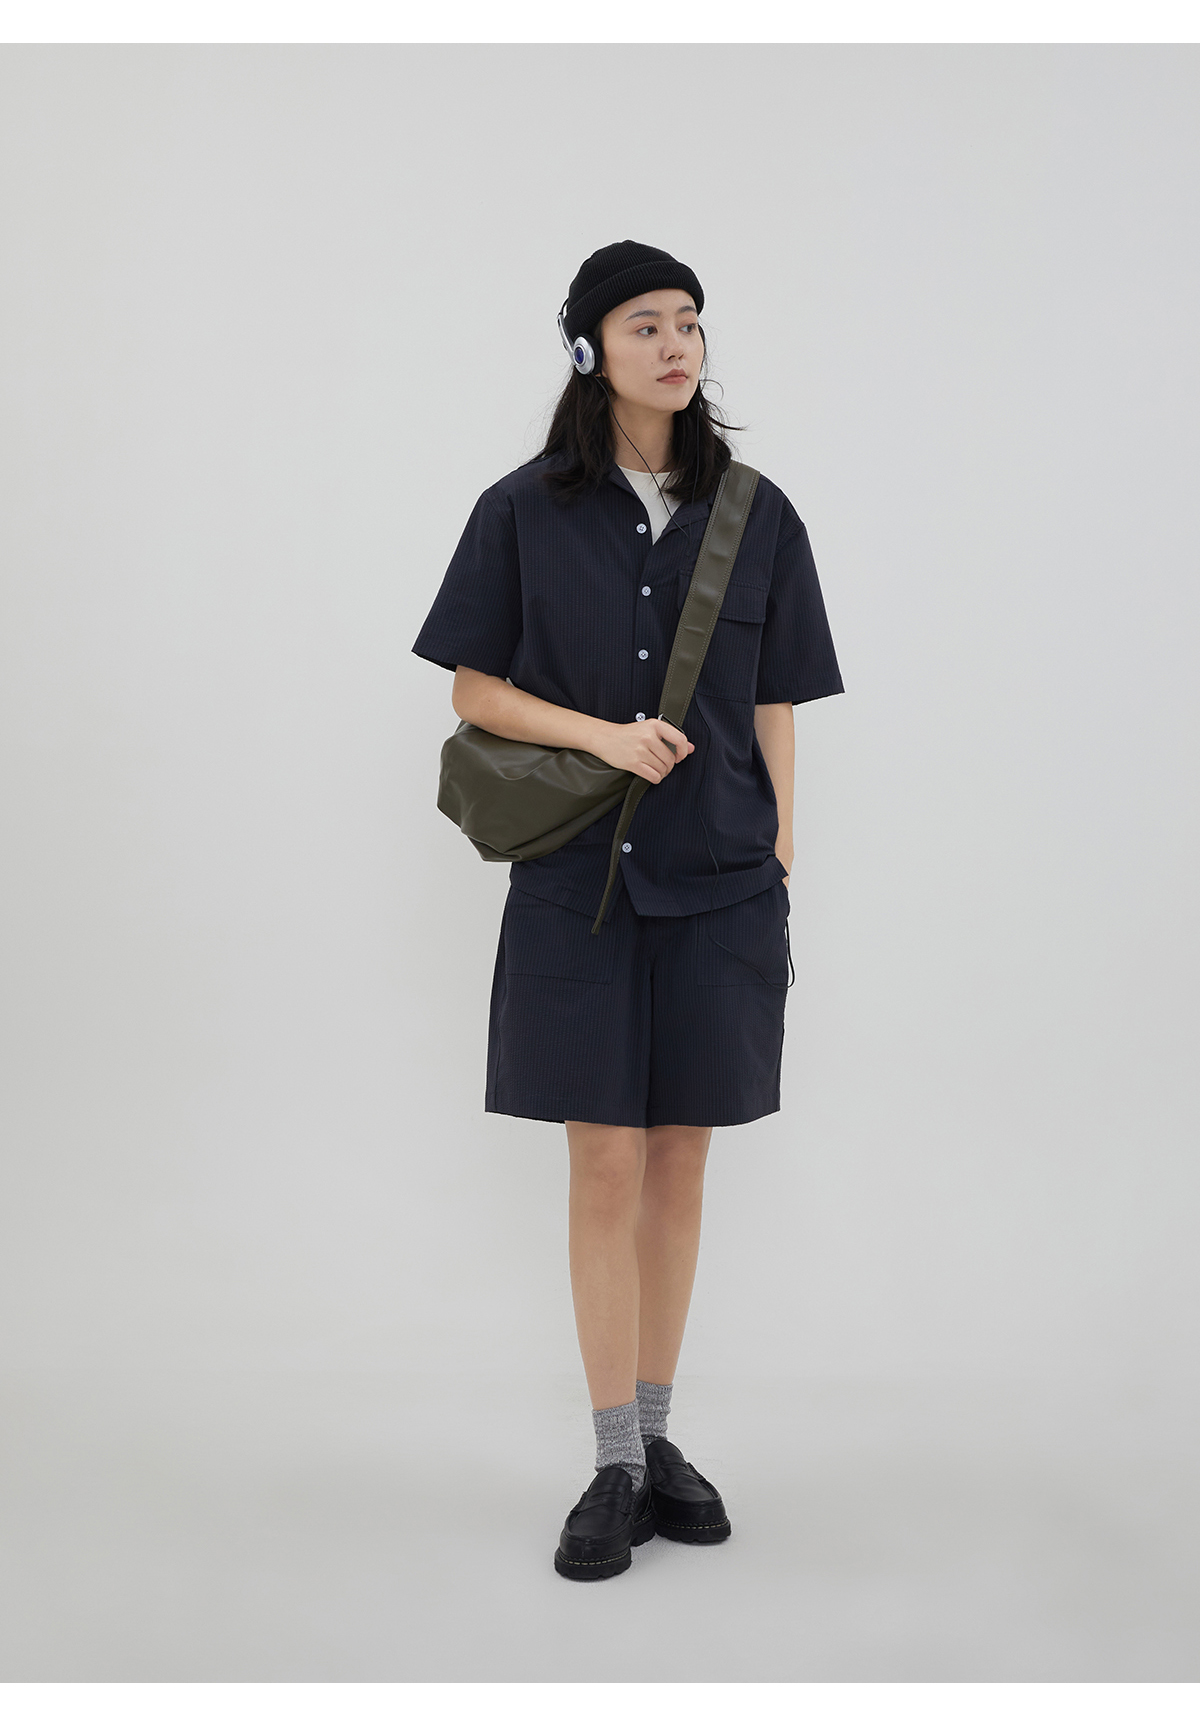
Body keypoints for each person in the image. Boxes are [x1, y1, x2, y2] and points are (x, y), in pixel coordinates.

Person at [411, 240, 844, 1580]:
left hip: (722, 882)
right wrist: (603, 737)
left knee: (682, 1158)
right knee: (603, 1160)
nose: (676, 345)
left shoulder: (759, 513)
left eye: (691, 323)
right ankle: (611, 1460)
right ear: (591, 349)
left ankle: (659, 1442)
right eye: (646, 323)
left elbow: (776, 701)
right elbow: (472, 688)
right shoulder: (522, 509)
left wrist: (781, 852)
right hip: (576, 880)